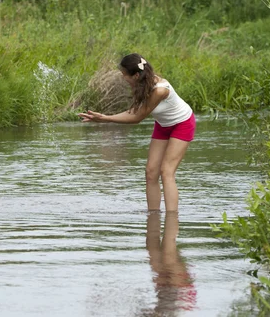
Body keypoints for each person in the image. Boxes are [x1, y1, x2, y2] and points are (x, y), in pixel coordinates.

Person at [78, 53, 195, 212]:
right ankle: (153, 215)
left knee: (166, 172)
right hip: (163, 125)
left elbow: (137, 117)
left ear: (136, 75)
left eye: (125, 75)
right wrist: (105, 117)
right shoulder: (143, 84)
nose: (123, 78)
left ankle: (171, 218)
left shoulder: (159, 91)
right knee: (151, 172)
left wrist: (106, 119)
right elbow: (132, 112)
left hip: (182, 123)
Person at [145, 212, 196, 313]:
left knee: (160, 257)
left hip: (173, 297)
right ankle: (155, 214)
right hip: (179, 298)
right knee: (165, 257)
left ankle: (165, 215)